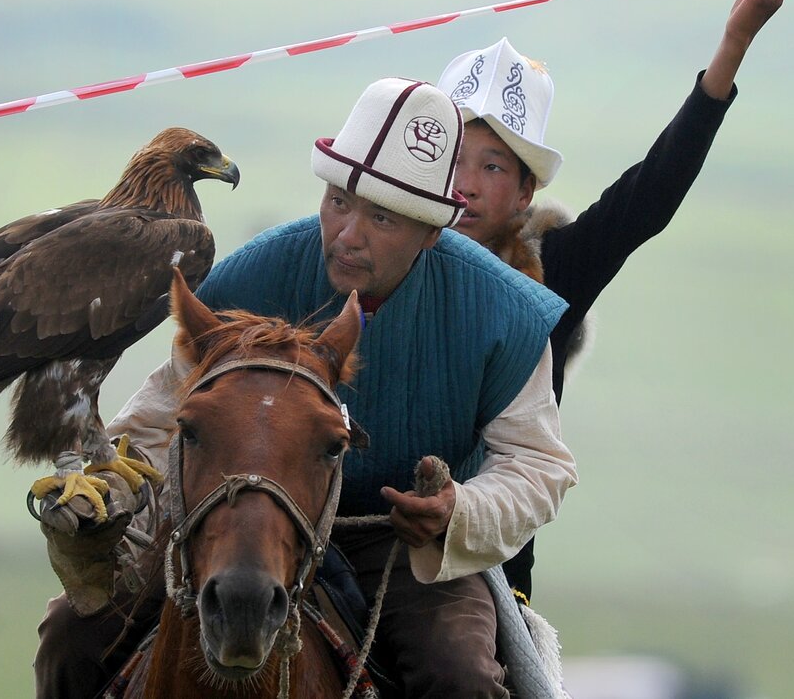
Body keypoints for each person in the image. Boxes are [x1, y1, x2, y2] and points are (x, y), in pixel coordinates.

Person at [33, 78, 577, 698]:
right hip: (231, 517)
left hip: (401, 546)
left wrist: (459, 511)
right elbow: (160, 422)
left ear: (432, 234)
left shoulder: (503, 313)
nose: (348, 233)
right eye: (339, 201)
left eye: (381, 217)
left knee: (462, 679)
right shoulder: (251, 274)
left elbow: (538, 464)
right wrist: (111, 495)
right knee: (69, 641)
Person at [437, 0, 791, 597]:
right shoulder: (380, 256)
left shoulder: (556, 272)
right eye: (456, 157)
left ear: (524, 194)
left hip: (490, 579)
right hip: (366, 539)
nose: (465, 184)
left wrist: (734, 44)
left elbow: (649, 195)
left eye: (491, 167)